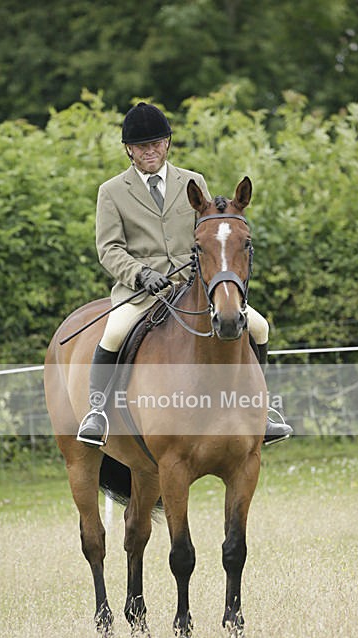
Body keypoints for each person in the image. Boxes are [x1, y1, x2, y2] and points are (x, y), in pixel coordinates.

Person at [77, 102, 292, 446]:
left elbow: (205, 233)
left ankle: (260, 410)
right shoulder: (112, 191)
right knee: (114, 333)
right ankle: (98, 412)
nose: (151, 151)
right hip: (142, 291)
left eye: (157, 143)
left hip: (192, 287)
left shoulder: (193, 181)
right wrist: (141, 274)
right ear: (129, 150)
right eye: (142, 146)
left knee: (259, 325)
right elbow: (109, 249)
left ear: (167, 143)